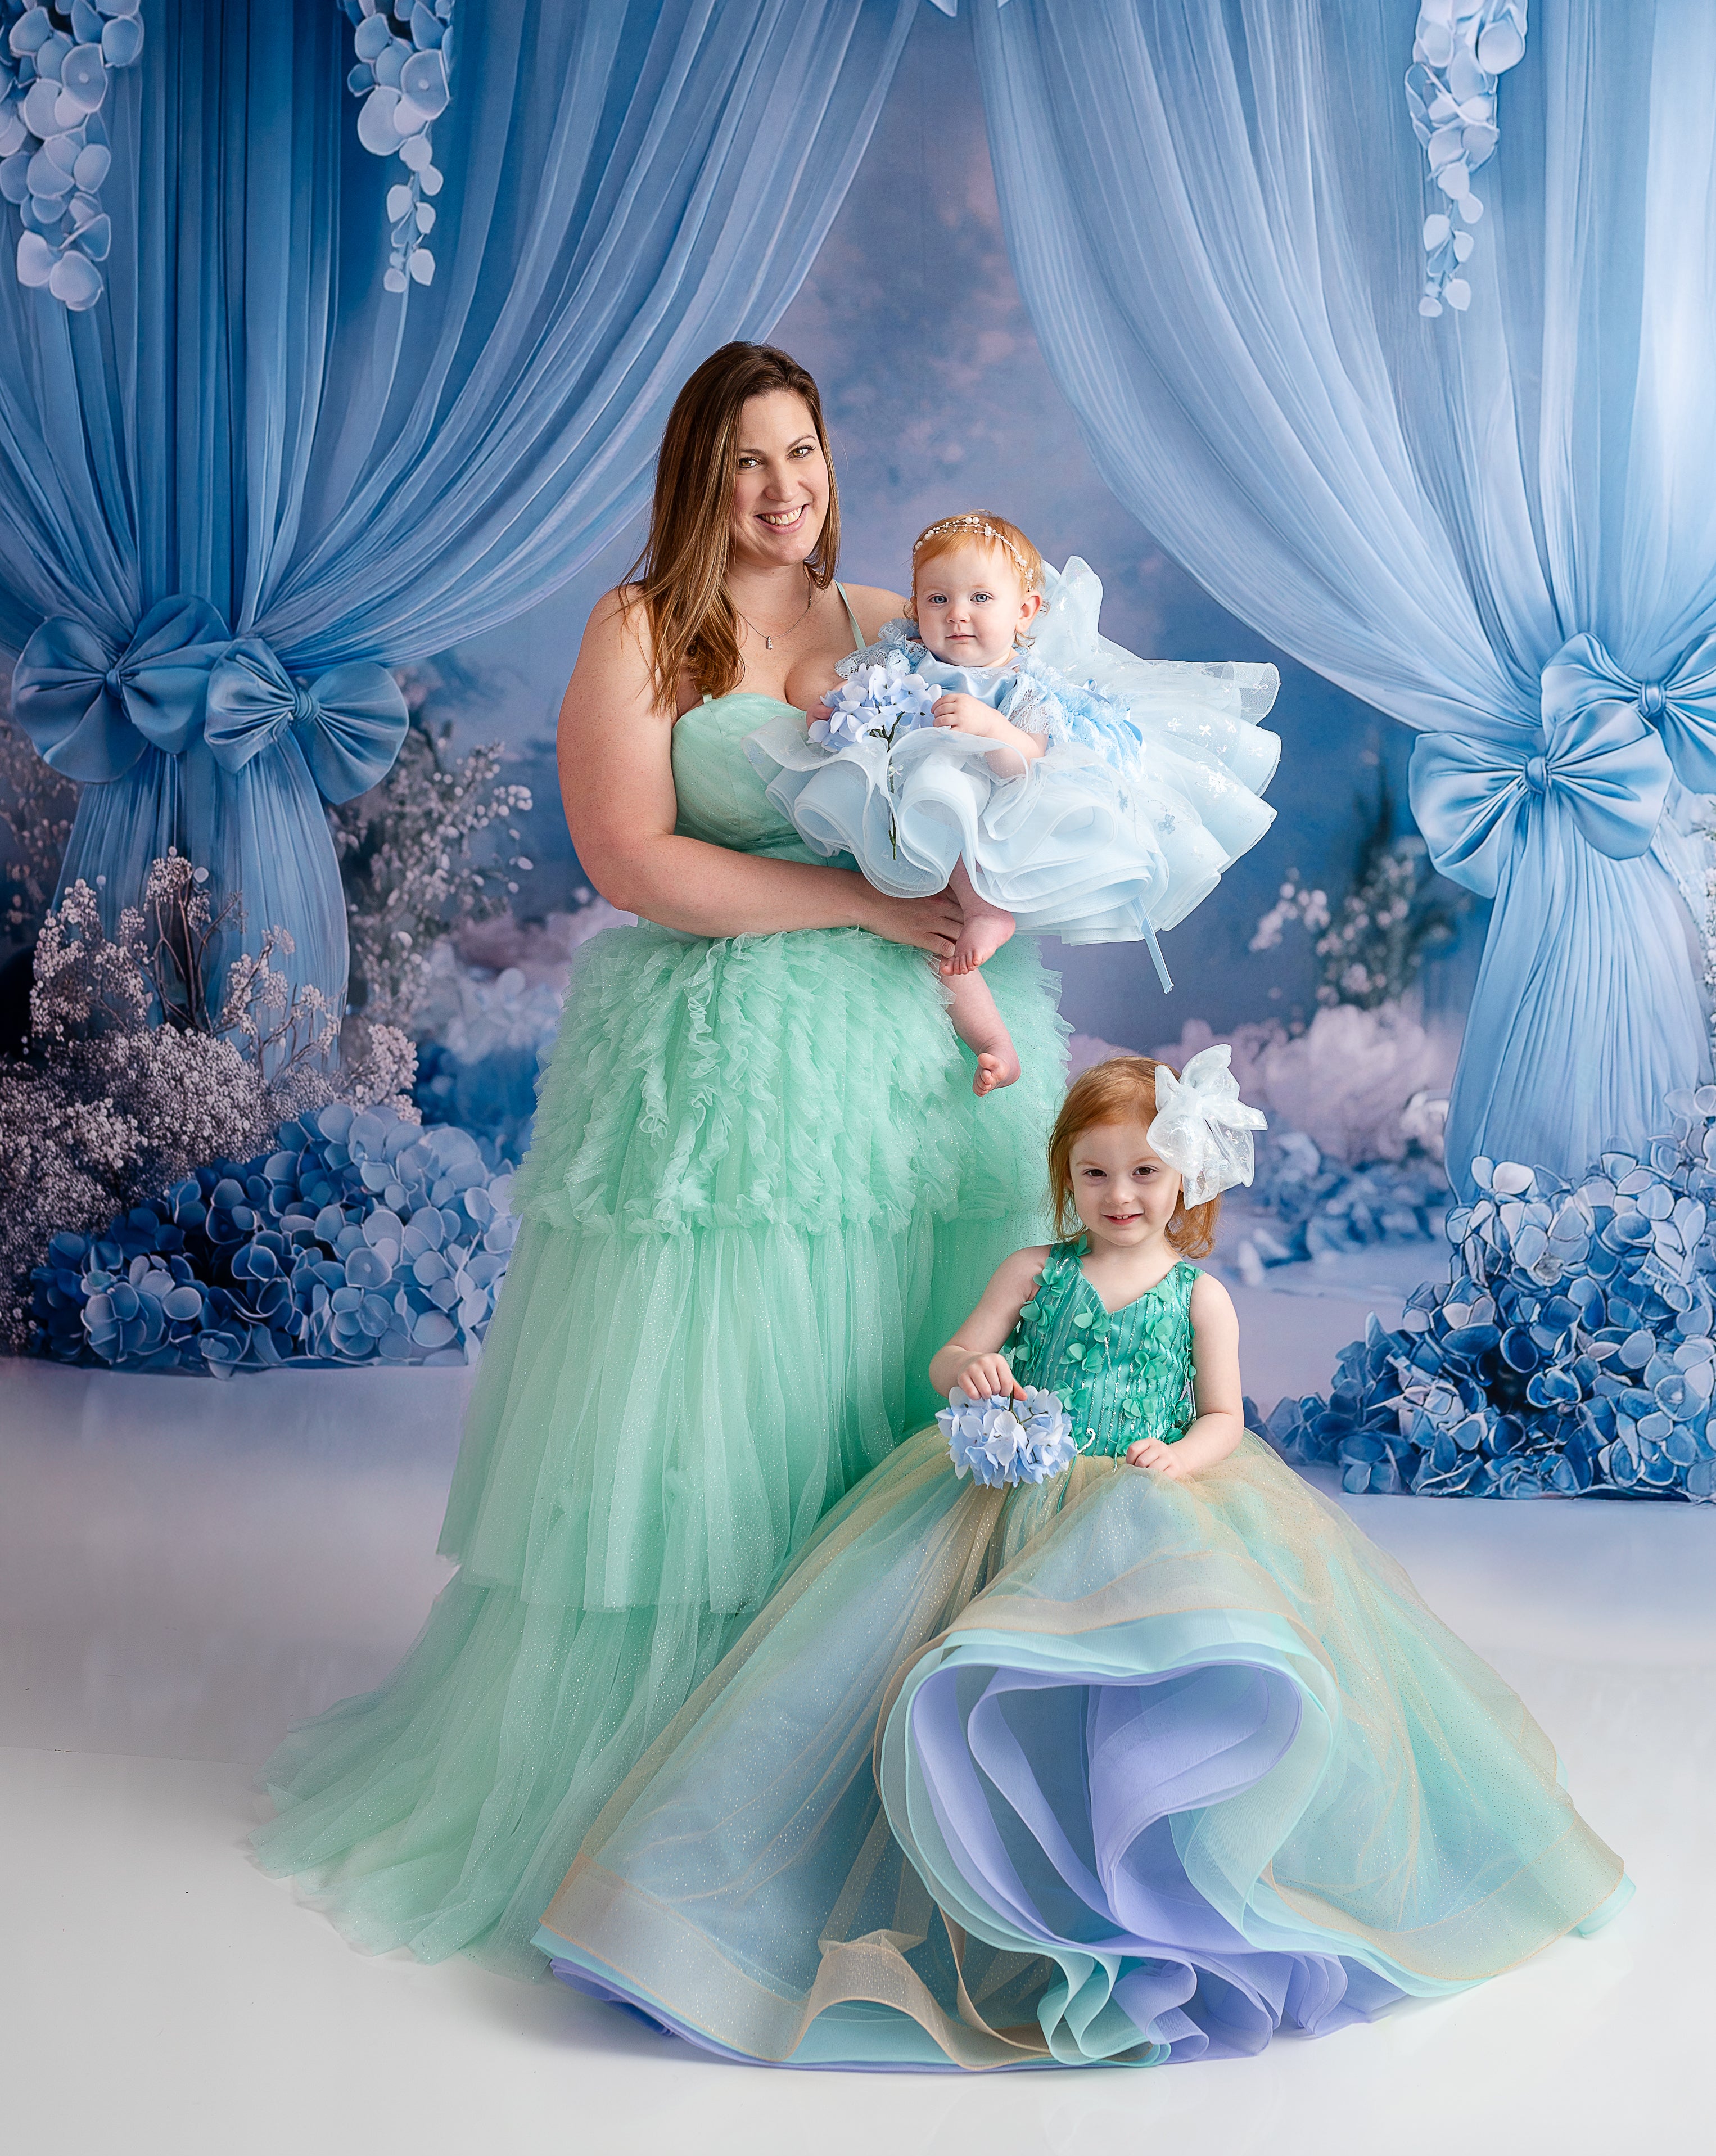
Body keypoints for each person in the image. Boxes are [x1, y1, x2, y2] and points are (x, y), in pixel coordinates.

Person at [250, 345, 1067, 1974]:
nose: (783, 490)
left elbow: (1001, 796)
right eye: (749, 461)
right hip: (727, 1058)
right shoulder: (637, 630)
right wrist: (862, 906)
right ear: (698, 474)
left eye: (803, 453)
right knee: (731, 1400)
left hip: (906, 1056)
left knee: (897, 1378)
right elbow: (635, 858)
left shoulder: (885, 628)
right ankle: (704, 1782)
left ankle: (900, 1745)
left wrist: (991, 899)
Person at [538, 1052, 1629, 2069]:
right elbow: (956, 1349)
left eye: (1143, 1172)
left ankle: (1150, 1904)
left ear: (1181, 1178)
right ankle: (961, 1904)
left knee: (1144, 1694)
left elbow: (1223, 1414)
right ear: (1066, 1177)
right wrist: (973, 1371)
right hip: (1009, 1497)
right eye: (1094, 1171)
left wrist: (1182, 1457)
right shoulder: (1034, 1269)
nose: (1118, 1194)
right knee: (945, 1678)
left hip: (1150, 1505)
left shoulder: (1197, 1294)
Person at [745, 512, 1281, 1096]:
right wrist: (836, 714)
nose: (957, 614)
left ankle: (987, 927)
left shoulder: (1023, 687)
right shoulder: (901, 661)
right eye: (937, 598)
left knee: (950, 902)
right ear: (915, 609)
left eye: (980, 597)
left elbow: (1027, 760)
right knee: (934, 938)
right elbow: (856, 698)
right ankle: (992, 1044)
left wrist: (990, 727)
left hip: (990, 827)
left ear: (1023, 611)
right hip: (917, 834)